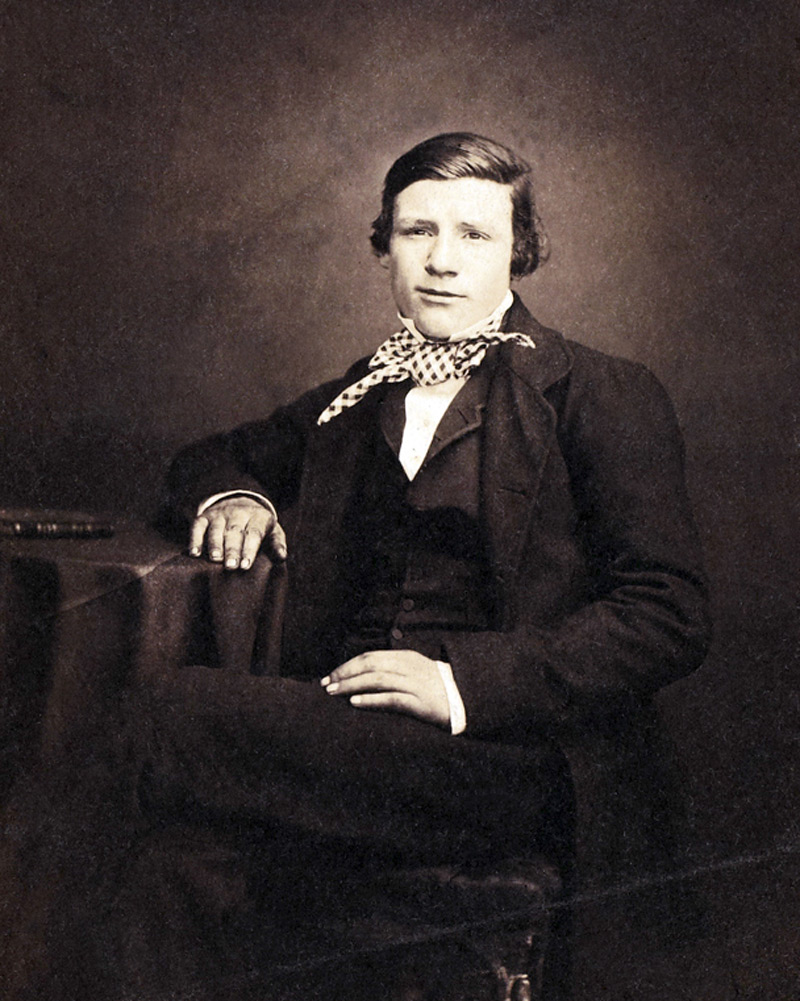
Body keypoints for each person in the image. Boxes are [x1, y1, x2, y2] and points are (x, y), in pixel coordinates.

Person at [116, 133, 711, 999]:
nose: (441, 261)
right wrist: (237, 497)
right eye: (417, 231)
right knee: (168, 861)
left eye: (474, 234)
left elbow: (668, 612)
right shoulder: (362, 393)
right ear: (383, 246)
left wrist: (461, 683)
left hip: (514, 756)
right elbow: (210, 457)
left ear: (519, 250)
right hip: (356, 745)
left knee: (162, 708)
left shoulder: (601, 391)